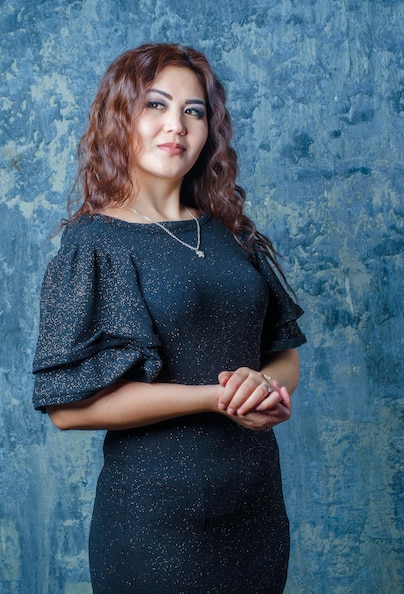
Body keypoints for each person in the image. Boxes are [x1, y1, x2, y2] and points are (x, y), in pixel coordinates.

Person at [32, 43, 306, 594]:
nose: (175, 125)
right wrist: (217, 397)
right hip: (152, 523)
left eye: (194, 110)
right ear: (120, 117)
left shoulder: (234, 235)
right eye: (155, 105)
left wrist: (264, 385)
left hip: (254, 511)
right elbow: (66, 408)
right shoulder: (95, 244)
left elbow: (283, 354)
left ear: (209, 131)